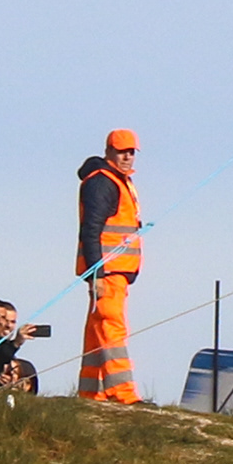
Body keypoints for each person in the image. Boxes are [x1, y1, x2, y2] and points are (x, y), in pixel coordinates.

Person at [76, 127, 142, 406]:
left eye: (131, 151)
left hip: (114, 273)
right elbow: (91, 230)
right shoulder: (104, 182)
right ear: (109, 151)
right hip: (108, 272)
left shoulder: (116, 181)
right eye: (121, 151)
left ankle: (92, 392)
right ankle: (123, 392)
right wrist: (97, 274)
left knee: (97, 331)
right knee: (112, 328)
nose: (127, 156)